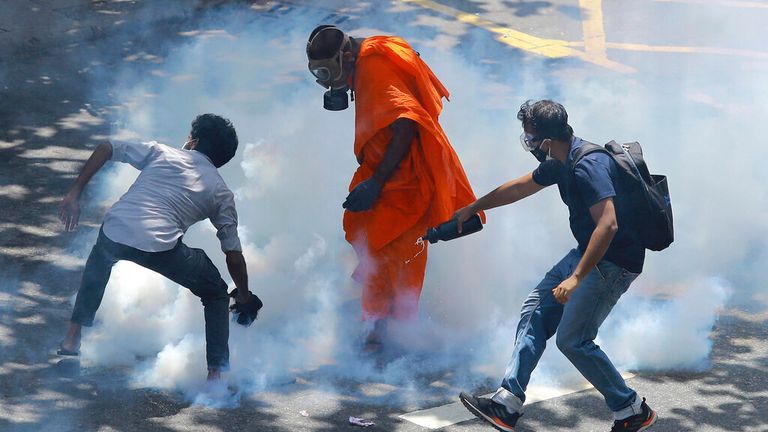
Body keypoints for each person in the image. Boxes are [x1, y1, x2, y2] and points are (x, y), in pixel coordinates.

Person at [455, 100, 657, 432]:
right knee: (535, 310)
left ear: (547, 141)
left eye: (531, 138)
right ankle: (506, 403)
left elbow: (608, 225)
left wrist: (577, 277)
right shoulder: (559, 161)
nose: (529, 144)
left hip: (614, 261)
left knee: (573, 340)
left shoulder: (587, 166)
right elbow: (520, 187)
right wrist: (474, 207)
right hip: (588, 253)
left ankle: (631, 409)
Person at [305, 25, 481, 351]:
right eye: (319, 73)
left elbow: (405, 122)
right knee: (378, 247)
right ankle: (385, 322)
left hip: (402, 181)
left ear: (345, 55)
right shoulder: (364, 55)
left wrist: (377, 182)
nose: (328, 79)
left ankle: (387, 330)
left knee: (393, 253)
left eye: (329, 71)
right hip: (383, 173)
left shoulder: (374, 67)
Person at [57, 113, 260, 381]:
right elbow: (233, 254)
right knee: (216, 293)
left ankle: (71, 340)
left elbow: (107, 147)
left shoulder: (161, 153)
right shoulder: (220, 191)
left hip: (114, 230)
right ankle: (215, 376)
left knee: (100, 261)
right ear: (221, 159)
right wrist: (243, 296)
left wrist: (74, 193)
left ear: (193, 141)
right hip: (160, 247)